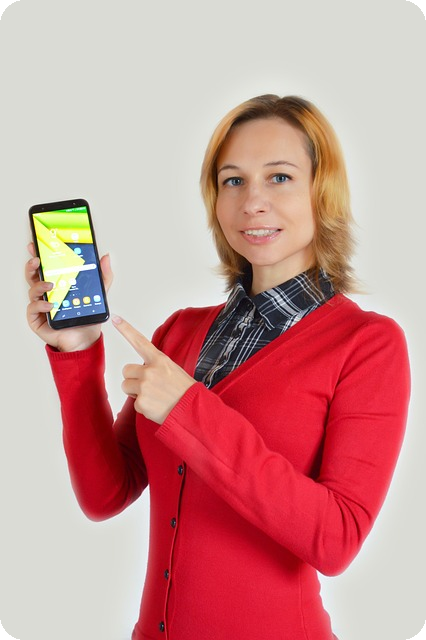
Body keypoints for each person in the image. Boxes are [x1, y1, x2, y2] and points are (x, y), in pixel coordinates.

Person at [25, 94, 410, 640]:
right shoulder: (179, 333)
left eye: (279, 177)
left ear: (321, 191)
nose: (252, 201)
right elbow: (105, 495)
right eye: (233, 181)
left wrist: (189, 410)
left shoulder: (368, 345)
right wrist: (77, 352)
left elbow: (337, 540)